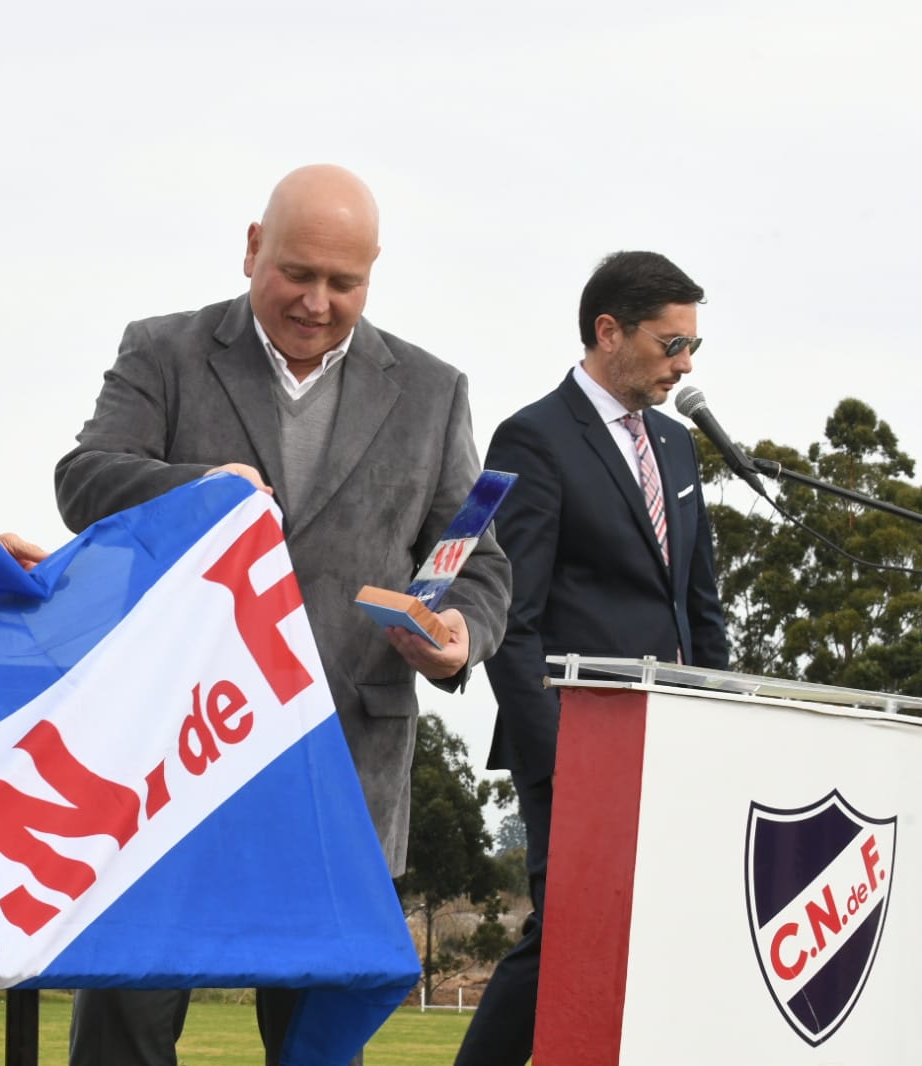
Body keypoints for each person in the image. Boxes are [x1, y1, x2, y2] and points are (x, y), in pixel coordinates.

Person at [55, 164, 511, 1066]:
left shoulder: (431, 389)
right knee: (124, 1040)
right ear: (252, 247)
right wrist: (191, 489)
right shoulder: (163, 351)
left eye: (343, 283)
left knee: (310, 1048)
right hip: (166, 770)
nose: (315, 301)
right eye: (296, 273)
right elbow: (84, 481)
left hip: (339, 773)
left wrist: (459, 635)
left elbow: (473, 560)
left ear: (372, 274)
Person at [452, 250, 730, 1065]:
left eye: (692, 348)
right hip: (579, 745)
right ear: (608, 332)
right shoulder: (533, 438)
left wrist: (716, 726)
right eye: (668, 343)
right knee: (565, 931)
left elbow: (697, 605)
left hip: (672, 746)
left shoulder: (677, 449)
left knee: (656, 940)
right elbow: (511, 615)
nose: (682, 363)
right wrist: (561, 756)